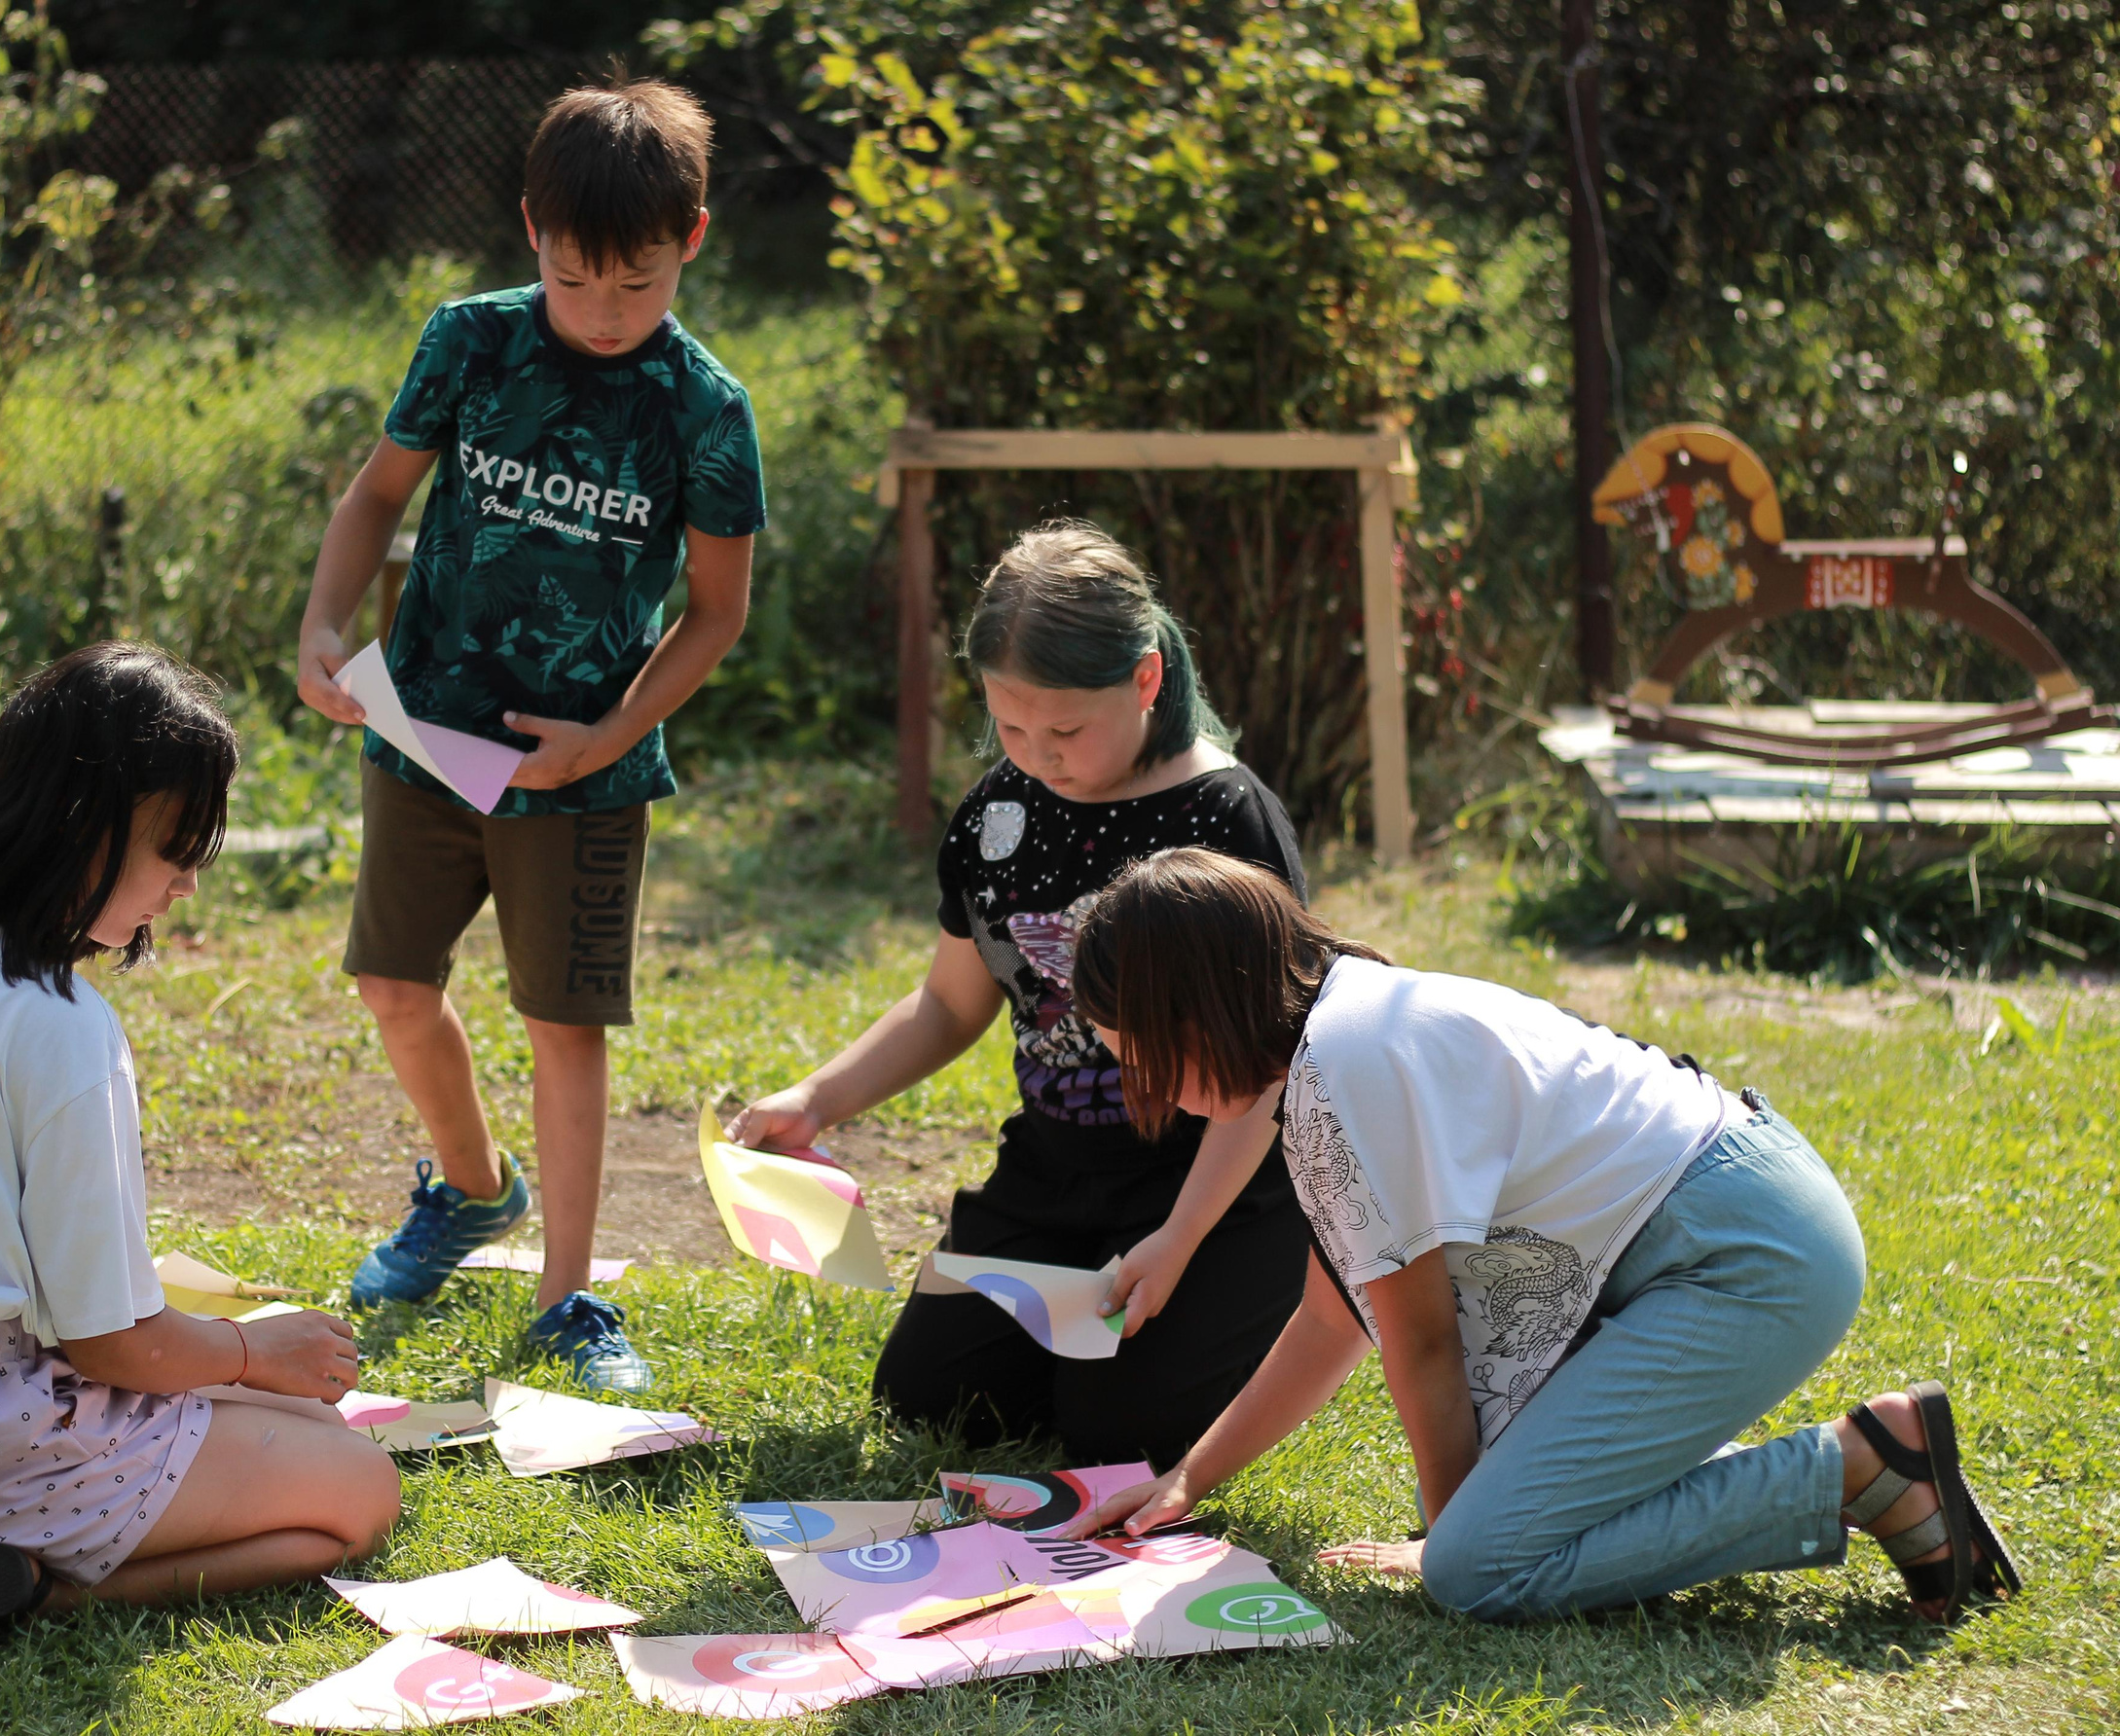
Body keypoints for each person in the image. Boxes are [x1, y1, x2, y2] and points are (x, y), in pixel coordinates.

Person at [1061, 847, 2024, 1624]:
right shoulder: (1340, 1036)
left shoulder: (1343, 1067)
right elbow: (1330, 1318)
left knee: (1481, 1568)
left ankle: (1863, 1464)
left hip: (1744, 1253)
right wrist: (1190, 1473)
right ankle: (1872, 1466)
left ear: (1195, 1005)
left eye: (1142, 1055)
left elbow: (1423, 1342)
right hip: (1735, 1226)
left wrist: (1454, 1545)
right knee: (1488, 1543)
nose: (1150, 1086)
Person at [0, 645, 400, 1641]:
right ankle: (24, 1585)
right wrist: (251, 1350)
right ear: (79, 827)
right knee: (359, 1486)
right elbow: (113, 1341)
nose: (187, 883)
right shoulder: (58, 1028)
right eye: (176, 848)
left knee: (313, 1428)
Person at [295, 79, 763, 1392]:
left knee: (565, 1027)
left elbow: (715, 615)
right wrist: (320, 632)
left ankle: (568, 1301)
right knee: (394, 988)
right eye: (573, 282)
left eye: (639, 285)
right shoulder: (469, 343)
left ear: (694, 242)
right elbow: (375, 495)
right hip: (420, 736)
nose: (605, 315)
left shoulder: (707, 410)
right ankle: (469, 1190)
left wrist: (601, 737)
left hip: (581, 777)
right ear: (529, 235)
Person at [732, 523, 1310, 1468]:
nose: (1039, 753)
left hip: (1210, 1183)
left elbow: (1263, 1072)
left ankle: (1222, 1317)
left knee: (1113, 1432)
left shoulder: (1225, 818)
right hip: (1052, 1177)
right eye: (1010, 725)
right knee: (927, 1401)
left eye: (1068, 729)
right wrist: (816, 1098)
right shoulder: (995, 813)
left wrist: (1179, 1235)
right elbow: (949, 1004)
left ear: (1147, 679)